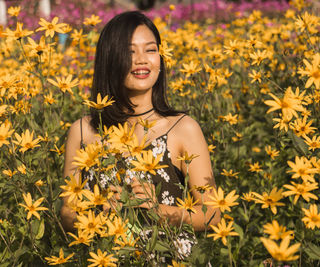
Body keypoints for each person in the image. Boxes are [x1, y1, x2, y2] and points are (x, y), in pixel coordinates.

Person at [60, 11, 219, 235]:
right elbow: (67, 212)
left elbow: (212, 215)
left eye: (151, 49)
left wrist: (159, 210)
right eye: (129, 51)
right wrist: (97, 216)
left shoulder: (183, 128)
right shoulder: (83, 131)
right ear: (110, 59)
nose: (142, 59)